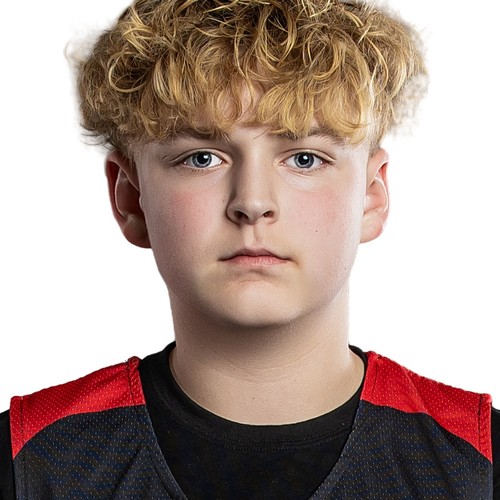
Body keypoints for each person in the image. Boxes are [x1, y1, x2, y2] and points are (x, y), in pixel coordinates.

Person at [1, 0, 499, 497]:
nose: (253, 202)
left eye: (304, 158)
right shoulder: (33, 462)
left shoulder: (477, 464)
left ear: (371, 195)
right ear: (131, 198)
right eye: (202, 158)